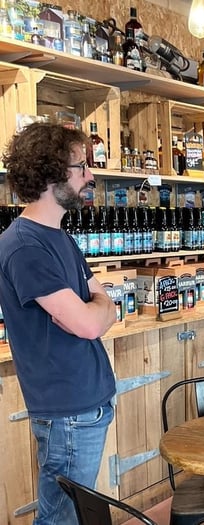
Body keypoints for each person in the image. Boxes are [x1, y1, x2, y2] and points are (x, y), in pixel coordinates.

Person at [0, 123, 117, 525]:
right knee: (60, 520)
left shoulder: (59, 238)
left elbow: (106, 307)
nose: (90, 175)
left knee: (69, 516)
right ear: (52, 174)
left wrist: (97, 310)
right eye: (81, 166)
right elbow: (89, 323)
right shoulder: (24, 247)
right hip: (68, 411)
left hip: (85, 405)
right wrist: (95, 311)